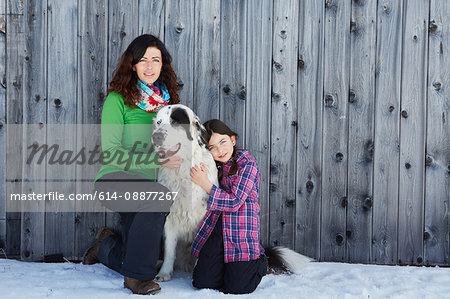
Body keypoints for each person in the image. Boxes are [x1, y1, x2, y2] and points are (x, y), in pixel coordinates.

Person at [82, 34, 182, 295]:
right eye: (143, 60)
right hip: (115, 180)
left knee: (145, 252)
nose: (149, 66)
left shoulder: (169, 104)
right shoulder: (118, 100)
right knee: (159, 199)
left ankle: (105, 247)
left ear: (163, 65)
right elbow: (112, 152)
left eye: (156, 60)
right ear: (133, 65)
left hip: (152, 187)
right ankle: (137, 280)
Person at [189, 119, 268, 294]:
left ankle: (261, 260)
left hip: (241, 232)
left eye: (222, 142)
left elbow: (235, 202)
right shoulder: (212, 165)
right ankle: (223, 266)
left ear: (233, 139)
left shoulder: (247, 164)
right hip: (218, 230)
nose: (219, 150)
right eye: (212, 147)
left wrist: (206, 184)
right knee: (202, 283)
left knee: (238, 288)